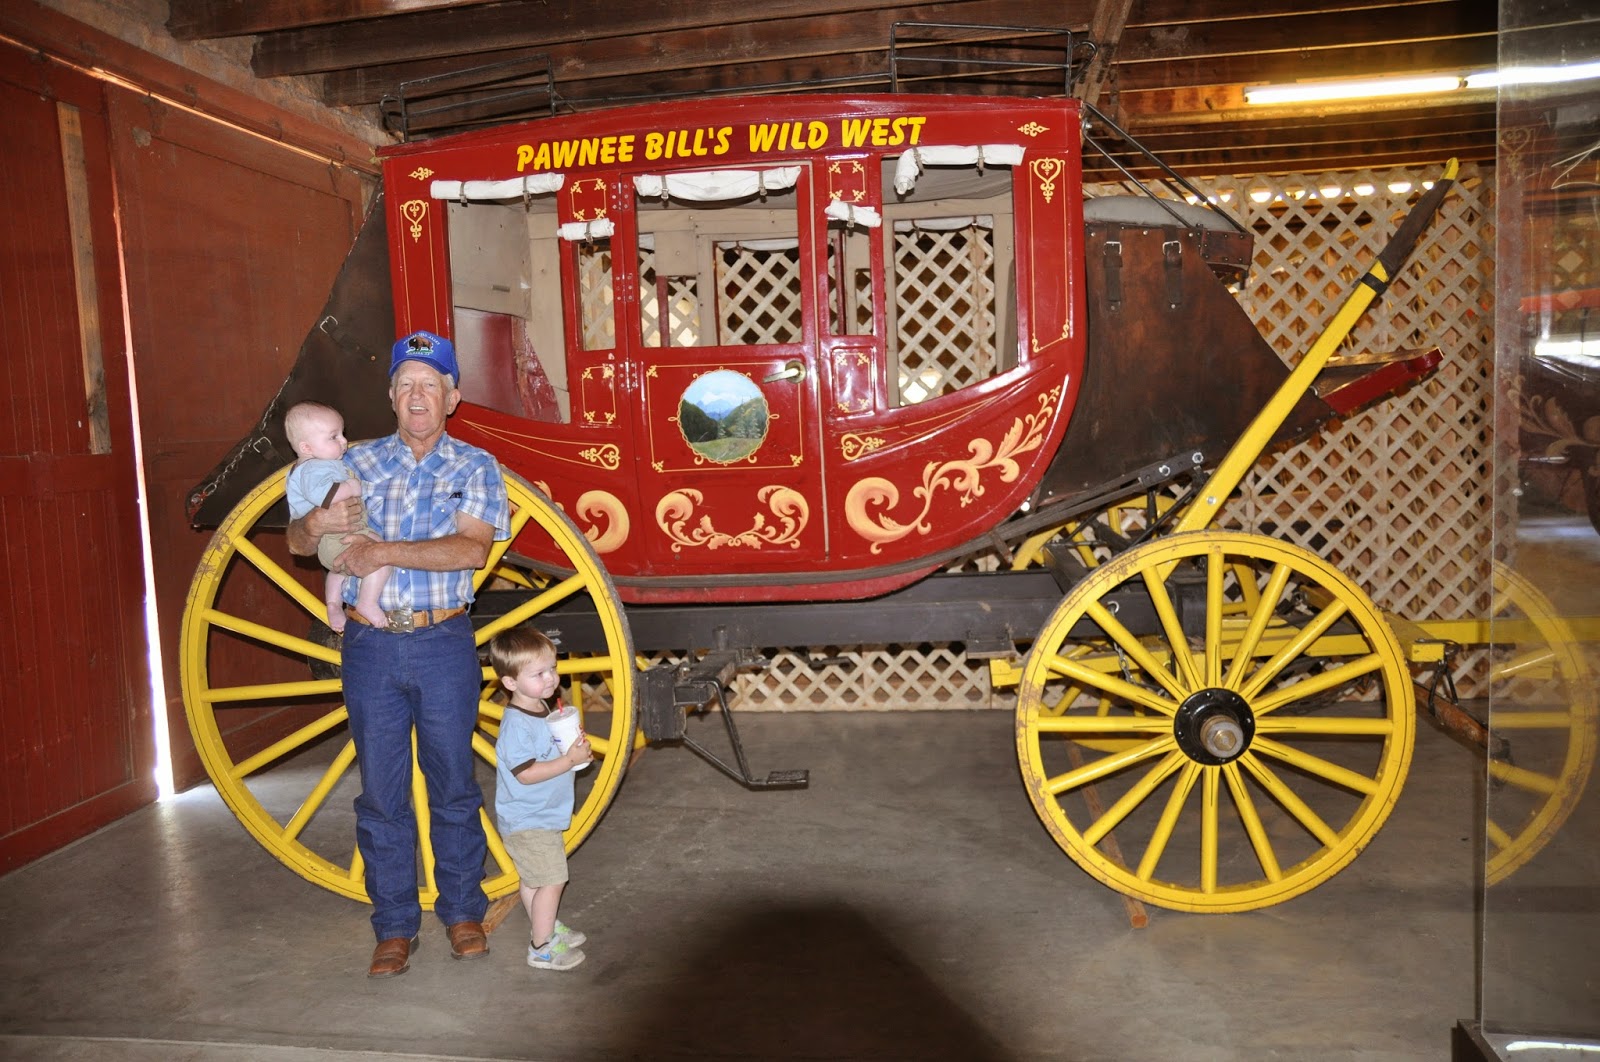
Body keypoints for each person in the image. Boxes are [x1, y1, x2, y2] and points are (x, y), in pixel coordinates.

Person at [286, 329, 511, 978]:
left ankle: (462, 912)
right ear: (390, 395)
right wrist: (314, 525)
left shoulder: (475, 467)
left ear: (453, 397)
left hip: (443, 642)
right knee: (381, 795)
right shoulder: (350, 462)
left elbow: (471, 550)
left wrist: (382, 552)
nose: (418, 396)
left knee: (453, 786)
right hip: (370, 645)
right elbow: (301, 543)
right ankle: (393, 928)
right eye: (406, 384)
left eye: (430, 385)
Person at [487, 625, 594, 971]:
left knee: (533, 878)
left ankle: (544, 925)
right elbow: (526, 773)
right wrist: (568, 761)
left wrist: (573, 752)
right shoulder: (517, 724)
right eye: (538, 673)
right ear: (510, 683)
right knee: (553, 878)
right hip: (528, 818)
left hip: (539, 814)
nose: (550, 679)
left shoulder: (540, 707)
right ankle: (542, 947)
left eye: (552, 668)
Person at [282, 401, 392, 633]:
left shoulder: (313, 466)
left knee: (337, 571)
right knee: (382, 557)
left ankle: (333, 603)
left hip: (332, 543)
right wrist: (352, 487)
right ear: (307, 448)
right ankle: (367, 602)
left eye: (342, 434)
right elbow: (327, 497)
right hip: (338, 536)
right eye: (334, 437)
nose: (344, 441)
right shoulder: (315, 468)